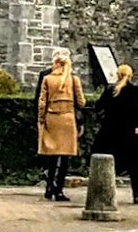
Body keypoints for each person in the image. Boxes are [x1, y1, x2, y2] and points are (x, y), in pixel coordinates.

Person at [90, 63, 138, 204]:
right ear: (130, 75)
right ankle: (137, 194)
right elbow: (135, 111)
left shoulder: (110, 90)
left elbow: (98, 107)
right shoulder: (132, 91)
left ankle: (104, 194)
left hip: (110, 132)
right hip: (128, 133)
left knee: (109, 164)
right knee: (133, 166)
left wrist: (104, 119)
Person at [36, 47, 86, 201]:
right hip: (68, 120)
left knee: (52, 155)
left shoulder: (47, 78)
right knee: (65, 157)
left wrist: (41, 119)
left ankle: (49, 186)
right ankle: (59, 189)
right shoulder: (73, 79)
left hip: (52, 118)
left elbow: (41, 102)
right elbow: (81, 102)